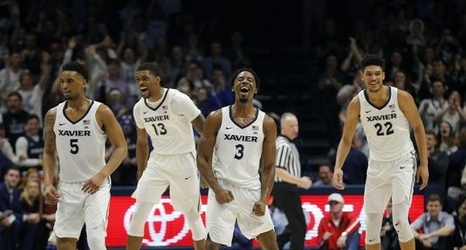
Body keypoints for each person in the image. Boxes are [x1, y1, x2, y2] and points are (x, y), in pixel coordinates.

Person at [332, 54, 429, 250]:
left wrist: (423, 164)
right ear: (362, 76)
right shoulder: (356, 103)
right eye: (369, 74)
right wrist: (337, 167)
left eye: (377, 73)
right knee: (372, 226)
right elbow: (346, 139)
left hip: (402, 161)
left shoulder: (401, 97)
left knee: (400, 221)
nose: (373, 78)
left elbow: (418, 128)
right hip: (376, 165)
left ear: (383, 75)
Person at [42, 62, 128, 250]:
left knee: (96, 241)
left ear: (84, 82)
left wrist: (102, 174)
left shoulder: (101, 111)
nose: (64, 86)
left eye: (70, 81)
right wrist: (48, 183)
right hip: (67, 186)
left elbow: (121, 148)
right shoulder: (53, 115)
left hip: (95, 185)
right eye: (62, 81)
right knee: (64, 243)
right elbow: (48, 152)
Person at [126, 62, 206, 250]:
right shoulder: (139, 108)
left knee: (192, 214)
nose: (141, 83)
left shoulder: (178, 99)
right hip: (158, 161)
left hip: (183, 159)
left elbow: (206, 131)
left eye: (145, 78)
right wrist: (141, 170)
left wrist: (207, 166)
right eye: (138, 79)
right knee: (138, 213)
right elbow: (142, 142)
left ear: (157, 80)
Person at [197, 68, 279, 250]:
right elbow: (202, 158)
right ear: (233, 87)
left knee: (271, 243)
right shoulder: (216, 117)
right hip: (223, 187)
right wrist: (216, 188)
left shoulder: (267, 123)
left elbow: (269, 167)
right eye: (240, 79)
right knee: (210, 244)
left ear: (255, 89)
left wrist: (264, 199)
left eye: (250, 80)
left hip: (251, 189)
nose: (245, 82)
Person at [272, 112, 311, 250]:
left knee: (295, 226)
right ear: (283, 127)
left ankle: (274, 245)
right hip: (284, 187)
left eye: (296, 125)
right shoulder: (283, 145)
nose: (295, 129)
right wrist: (300, 181)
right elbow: (278, 170)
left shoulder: (289, 143)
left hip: (286, 188)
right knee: (299, 227)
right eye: (291, 126)